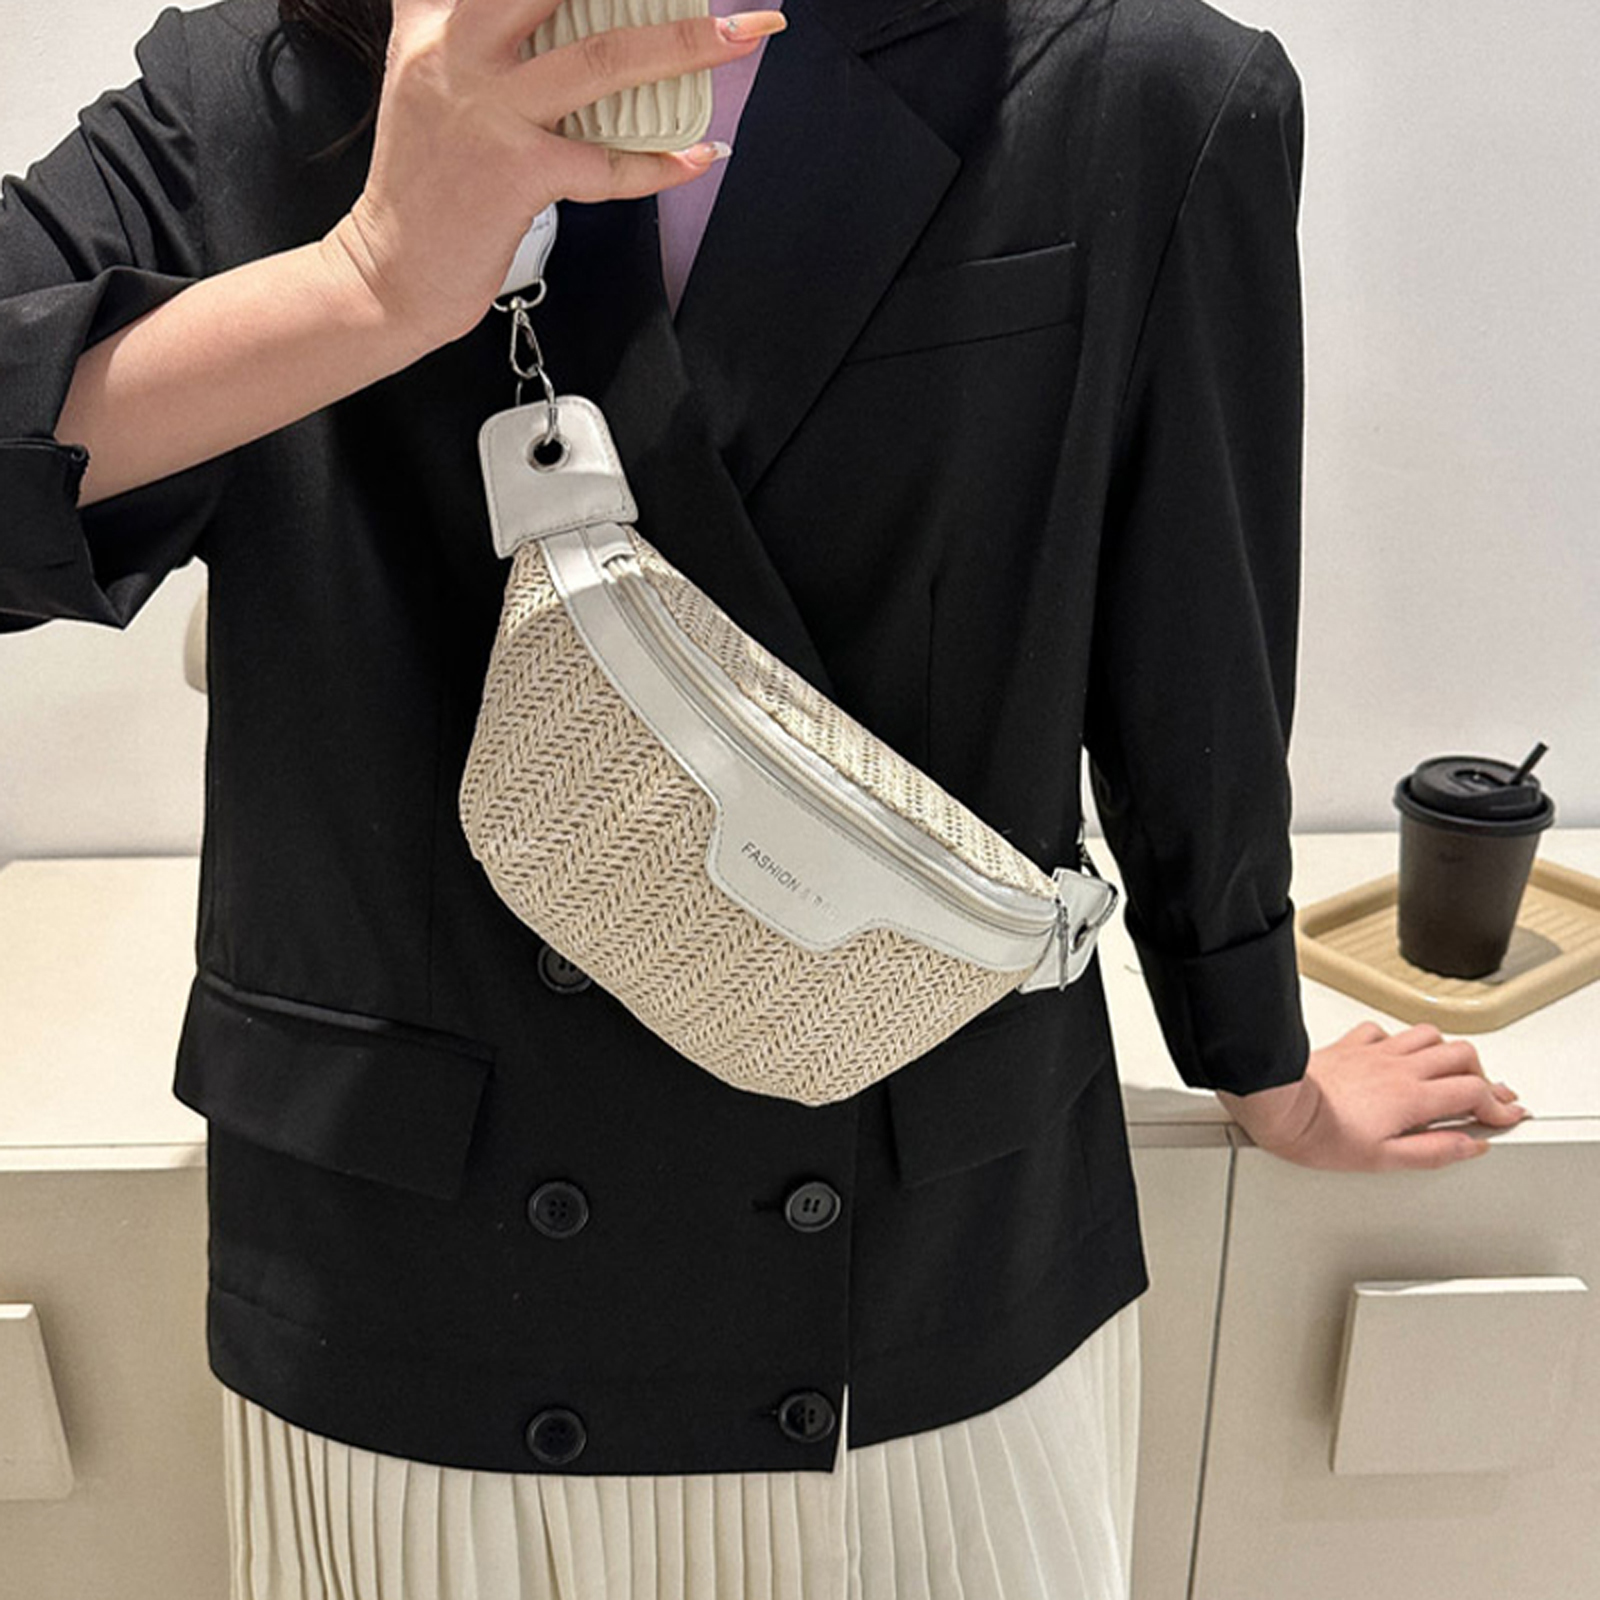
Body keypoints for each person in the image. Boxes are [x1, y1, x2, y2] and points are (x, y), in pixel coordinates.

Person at [0, 1, 1528, 1596]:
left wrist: (1258, 1056)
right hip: (412, 1294)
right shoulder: (279, 80)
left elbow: (1192, 639)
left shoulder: (1133, 90)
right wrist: (368, 282)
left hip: (914, 1280)